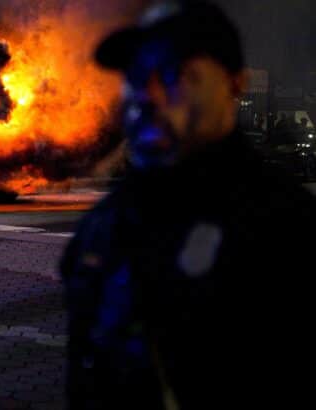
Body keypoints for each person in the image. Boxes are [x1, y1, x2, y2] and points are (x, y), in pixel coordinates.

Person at [60, 1, 315, 409]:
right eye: (137, 75)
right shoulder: (101, 228)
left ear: (235, 84)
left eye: (177, 74)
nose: (149, 95)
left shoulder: (287, 229)